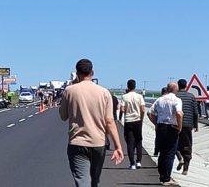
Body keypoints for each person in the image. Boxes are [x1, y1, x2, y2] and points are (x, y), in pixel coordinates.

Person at [59, 59, 124, 187]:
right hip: (98, 143)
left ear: (77, 73)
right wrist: (118, 146)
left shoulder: (69, 91)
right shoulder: (104, 92)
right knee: (95, 180)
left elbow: (63, 116)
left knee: (82, 181)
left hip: (77, 142)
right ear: (92, 72)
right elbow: (110, 121)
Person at [148, 82, 183, 186]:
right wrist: (179, 126)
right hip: (171, 127)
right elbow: (179, 113)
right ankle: (167, 178)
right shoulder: (177, 100)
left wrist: (156, 123)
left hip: (161, 127)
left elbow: (149, 112)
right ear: (176, 90)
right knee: (170, 153)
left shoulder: (160, 99)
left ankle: (162, 176)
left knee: (162, 153)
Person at [120, 79, 146, 169]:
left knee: (130, 142)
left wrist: (126, 112)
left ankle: (132, 163)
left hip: (128, 121)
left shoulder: (124, 97)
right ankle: (139, 161)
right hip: (138, 120)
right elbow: (143, 109)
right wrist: (141, 118)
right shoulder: (139, 97)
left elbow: (122, 109)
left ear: (128, 86)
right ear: (135, 86)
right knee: (139, 141)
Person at [175, 79, 198, 175]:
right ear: (186, 85)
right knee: (188, 146)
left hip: (176, 124)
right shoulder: (191, 96)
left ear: (178, 85)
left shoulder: (175, 96)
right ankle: (186, 169)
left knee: (175, 144)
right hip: (188, 125)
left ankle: (180, 158)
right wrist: (196, 125)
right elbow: (195, 112)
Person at [148, 87, 168, 157]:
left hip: (160, 123)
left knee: (158, 138)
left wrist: (154, 122)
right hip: (170, 124)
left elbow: (149, 112)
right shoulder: (172, 100)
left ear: (162, 92)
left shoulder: (159, 100)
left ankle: (156, 151)